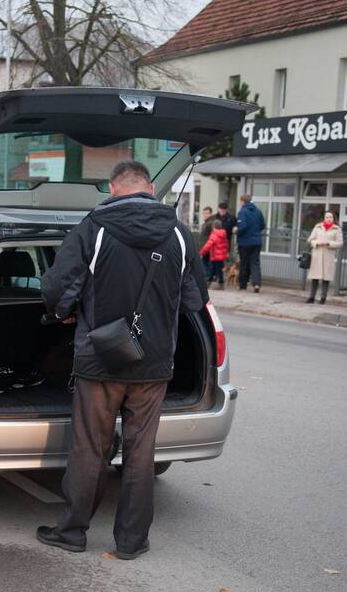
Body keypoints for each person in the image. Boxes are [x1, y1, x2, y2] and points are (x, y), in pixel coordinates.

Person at [37, 160, 203, 560]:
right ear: (149, 187)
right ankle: (132, 541)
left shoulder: (92, 230)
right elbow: (196, 299)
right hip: (154, 364)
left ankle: (73, 531)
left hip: (100, 360)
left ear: (113, 188)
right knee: (141, 452)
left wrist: (69, 311)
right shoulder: (179, 235)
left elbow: (57, 291)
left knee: (90, 447)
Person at [305, 211, 343, 304]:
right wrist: (317, 243)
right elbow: (310, 239)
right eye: (327, 217)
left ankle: (323, 298)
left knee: (326, 278)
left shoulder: (337, 229)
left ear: (334, 218)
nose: (329, 219)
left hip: (328, 255)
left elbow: (340, 243)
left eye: (330, 217)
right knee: (315, 277)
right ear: (324, 218)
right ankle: (311, 297)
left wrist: (329, 243)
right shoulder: (318, 227)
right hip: (317, 255)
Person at [235, 194, 265, 292]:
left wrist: (236, 231)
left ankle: (242, 284)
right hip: (256, 241)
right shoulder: (258, 211)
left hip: (244, 242)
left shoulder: (242, 212)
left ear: (243, 201)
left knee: (244, 263)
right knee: (255, 263)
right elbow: (262, 225)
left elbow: (242, 227)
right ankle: (256, 284)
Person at [199, 220, 229, 288]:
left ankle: (210, 282)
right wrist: (226, 254)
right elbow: (226, 245)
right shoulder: (223, 234)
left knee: (213, 269)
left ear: (213, 227)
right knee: (219, 270)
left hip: (215, 256)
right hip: (221, 257)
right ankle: (219, 283)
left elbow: (208, 245)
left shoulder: (214, 234)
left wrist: (201, 253)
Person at [199, 206, 218, 277]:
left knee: (206, 263)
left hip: (209, 246)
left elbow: (213, 235)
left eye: (207, 213)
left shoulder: (211, 223)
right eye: (204, 213)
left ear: (210, 214)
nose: (205, 215)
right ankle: (209, 276)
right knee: (205, 262)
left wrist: (208, 245)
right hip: (205, 245)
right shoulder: (206, 223)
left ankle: (209, 276)